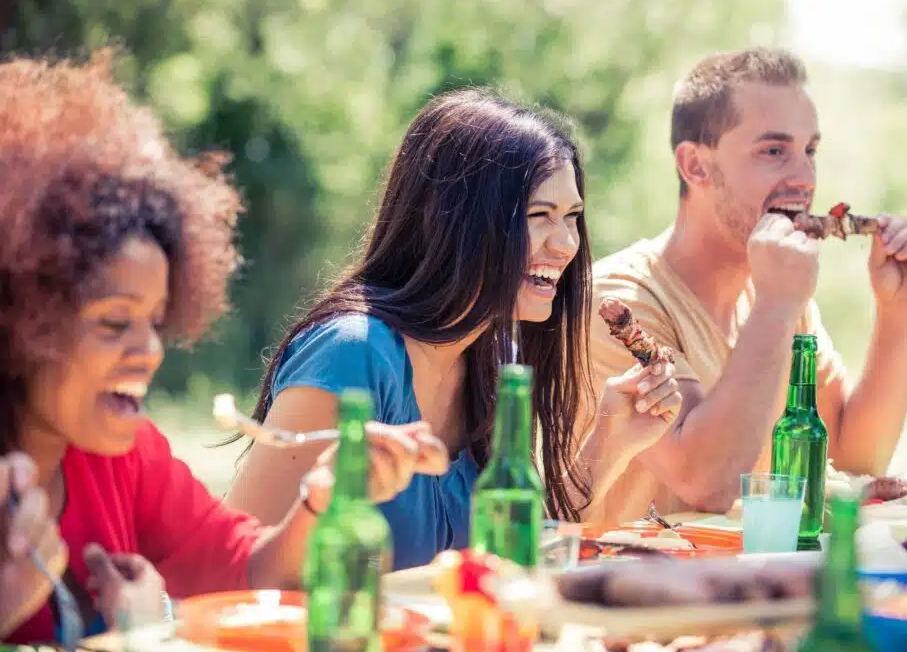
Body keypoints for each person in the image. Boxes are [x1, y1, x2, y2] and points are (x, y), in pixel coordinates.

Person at [0, 51, 447, 645]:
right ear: (22, 317)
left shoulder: (125, 454)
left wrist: (323, 496)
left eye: (156, 322)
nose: (151, 351)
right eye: (114, 324)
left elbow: (246, 573)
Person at [223, 88, 682, 569]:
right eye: (539, 216)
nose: (566, 243)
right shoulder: (352, 353)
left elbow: (505, 554)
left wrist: (610, 442)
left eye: (572, 217)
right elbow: (239, 570)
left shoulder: (494, 356)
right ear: (461, 224)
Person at [576, 47, 907, 523]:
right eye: (773, 151)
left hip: (751, 589)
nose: (805, 179)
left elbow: (855, 459)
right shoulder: (619, 303)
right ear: (696, 167)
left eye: (810, 151)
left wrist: (899, 313)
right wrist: (777, 305)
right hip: (628, 589)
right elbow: (708, 482)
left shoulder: (777, 298)